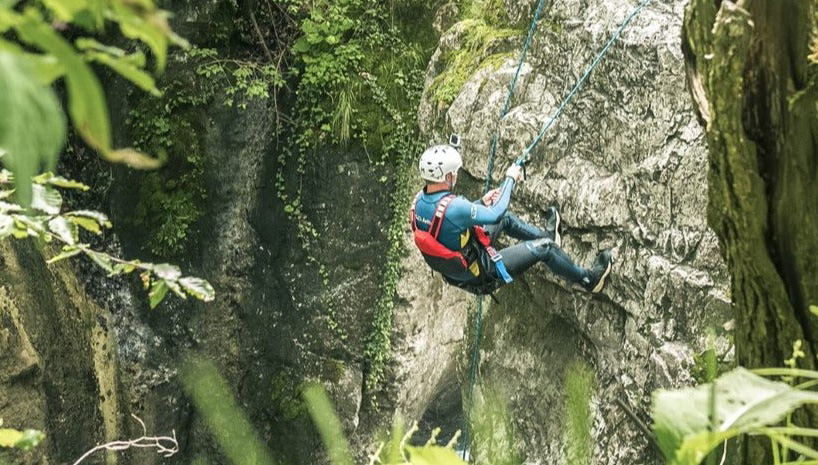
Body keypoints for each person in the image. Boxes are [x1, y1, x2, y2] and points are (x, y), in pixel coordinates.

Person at [409, 140, 613, 296]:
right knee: (545, 248)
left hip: (464, 267)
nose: (456, 175)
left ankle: (547, 235)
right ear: (447, 176)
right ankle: (589, 280)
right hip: (481, 272)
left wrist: (481, 202)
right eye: (454, 173)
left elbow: (448, 224)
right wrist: (510, 178)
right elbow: (494, 213)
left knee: (505, 220)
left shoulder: (419, 202)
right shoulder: (455, 207)